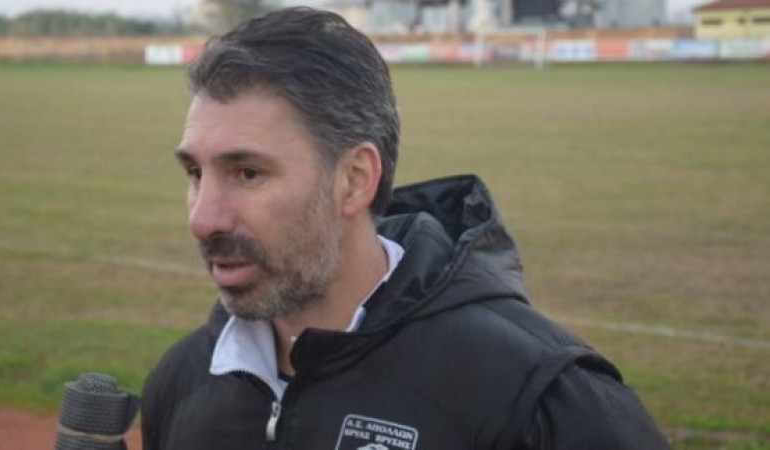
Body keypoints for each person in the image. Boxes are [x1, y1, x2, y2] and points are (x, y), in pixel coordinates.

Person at [141, 7, 669, 450]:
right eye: (195, 173)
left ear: (354, 180)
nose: (202, 219)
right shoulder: (183, 381)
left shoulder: (537, 399)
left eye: (248, 173)